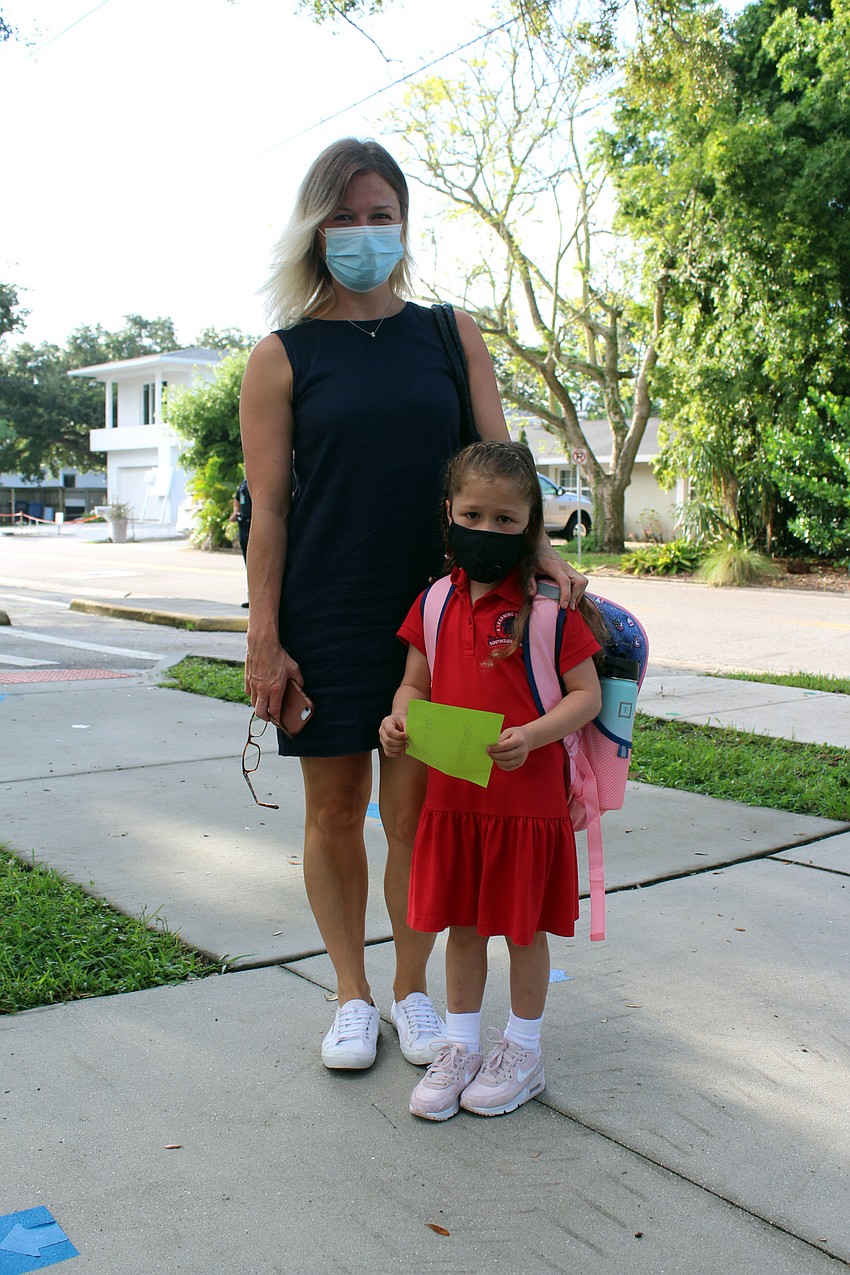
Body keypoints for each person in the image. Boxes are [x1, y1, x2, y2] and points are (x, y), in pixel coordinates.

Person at [239, 137, 588, 1073]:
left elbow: (502, 465)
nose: (363, 231)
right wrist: (264, 637)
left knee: (425, 812)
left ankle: (412, 990)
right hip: (329, 611)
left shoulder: (450, 333)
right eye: (344, 214)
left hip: (449, 621)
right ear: (316, 227)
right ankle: (351, 995)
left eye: (379, 212)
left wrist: (541, 558)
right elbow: (266, 511)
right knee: (334, 806)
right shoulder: (280, 357)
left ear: (403, 221)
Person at [379, 441, 602, 1120]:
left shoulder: (547, 610)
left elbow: (585, 695)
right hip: (455, 800)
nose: (487, 530)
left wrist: (532, 735)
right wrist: (397, 720)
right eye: (473, 514)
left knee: (525, 930)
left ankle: (523, 1051)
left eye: (506, 520)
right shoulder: (436, 602)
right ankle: (460, 1045)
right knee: (466, 927)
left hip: (526, 803)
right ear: (449, 514)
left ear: (531, 524)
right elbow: (413, 682)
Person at [229, 477, 252, 607]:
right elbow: (237, 499)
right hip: (243, 525)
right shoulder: (243, 483)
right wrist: (235, 512)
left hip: (255, 524)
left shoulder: (261, 479)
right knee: (248, 563)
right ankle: (251, 598)